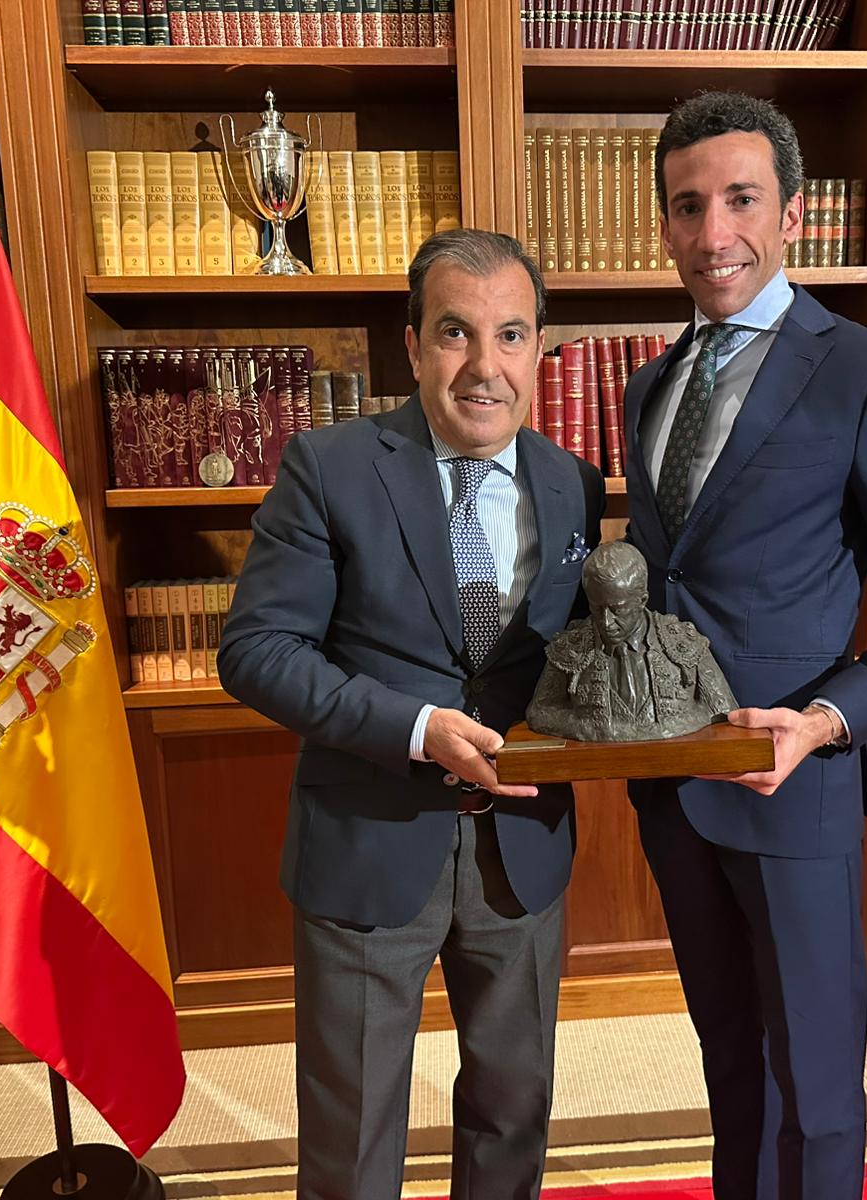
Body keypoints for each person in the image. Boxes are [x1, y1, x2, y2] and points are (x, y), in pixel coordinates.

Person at [622, 92, 867, 1198]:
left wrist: (828, 720)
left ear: (791, 212)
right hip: (673, 784)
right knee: (732, 1068)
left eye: (739, 199)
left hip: (796, 783)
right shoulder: (649, 383)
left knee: (816, 1086)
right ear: (666, 225)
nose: (711, 232)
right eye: (687, 207)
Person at [217, 228, 605, 1200]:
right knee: (353, 1139)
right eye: (455, 334)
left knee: (514, 1111)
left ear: (538, 349)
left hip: (522, 849)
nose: (484, 366)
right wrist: (415, 727)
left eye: (510, 335)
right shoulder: (329, 466)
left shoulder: (570, 484)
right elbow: (256, 651)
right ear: (412, 344)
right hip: (367, 844)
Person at [526, 539, 734, 741]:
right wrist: (592, 728)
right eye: (597, 608)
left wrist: (673, 725)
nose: (606, 622)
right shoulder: (570, 648)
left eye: (617, 610)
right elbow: (539, 712)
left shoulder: (684, 643)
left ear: (642, 600)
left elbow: (723, 708)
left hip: (677, 764)